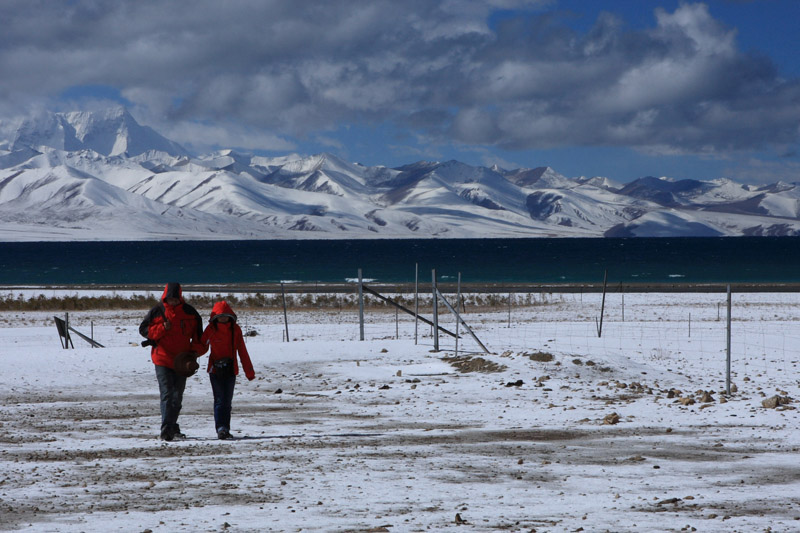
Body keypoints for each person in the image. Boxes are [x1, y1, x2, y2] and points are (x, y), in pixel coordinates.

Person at [139, 282, 206, 441]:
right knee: (167, 394)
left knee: (177, 397)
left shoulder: (191, 313)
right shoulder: (157, 311)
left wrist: (194, 353)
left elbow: (199, 339)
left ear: (180, 298)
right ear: (165, 298)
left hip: (182, 362)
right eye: (170, 299)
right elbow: (144, 331)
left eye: (175, 299)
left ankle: (172, 427)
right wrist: (162, 328)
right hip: (162, 359)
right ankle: (166, 431)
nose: (173, 302)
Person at [201, 301, 255, 439]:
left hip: (231, 370)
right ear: (215, 317)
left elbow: (242, 350)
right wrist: (188, 359)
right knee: (219, 400)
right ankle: (221, 428)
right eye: (220, 316)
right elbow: (201, 346)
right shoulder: (210, 329)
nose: (223, 318)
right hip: (215, 370)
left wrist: (249, 371)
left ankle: (225, 428)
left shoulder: (235, 330)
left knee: (227, 401)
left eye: (226, 316)